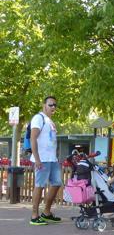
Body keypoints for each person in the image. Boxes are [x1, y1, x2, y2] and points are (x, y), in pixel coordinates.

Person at [29, 96, 62, 225]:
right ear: (44, 105)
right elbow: (33, 138)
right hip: (42, 159)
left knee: (57, 183)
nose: (53, 107)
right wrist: (37, 159)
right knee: (40, 185)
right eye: (50, 105)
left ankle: (47, 213)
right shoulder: (39, 118)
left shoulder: (50, 121)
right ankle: (34, 215)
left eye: (55, 105)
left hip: (52, 159)